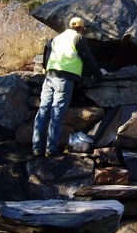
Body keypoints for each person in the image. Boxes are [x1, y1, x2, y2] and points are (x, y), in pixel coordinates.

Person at [32, 16, 106, 157]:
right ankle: (51, 149)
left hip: (49, 78)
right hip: (64, 79)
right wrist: (98, 73)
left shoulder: (57, 39)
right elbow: (87, 57)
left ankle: (37, 148)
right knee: (56, 115)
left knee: (42, 112)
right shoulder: (78, 38)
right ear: (82, 29)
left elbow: (46, 57)